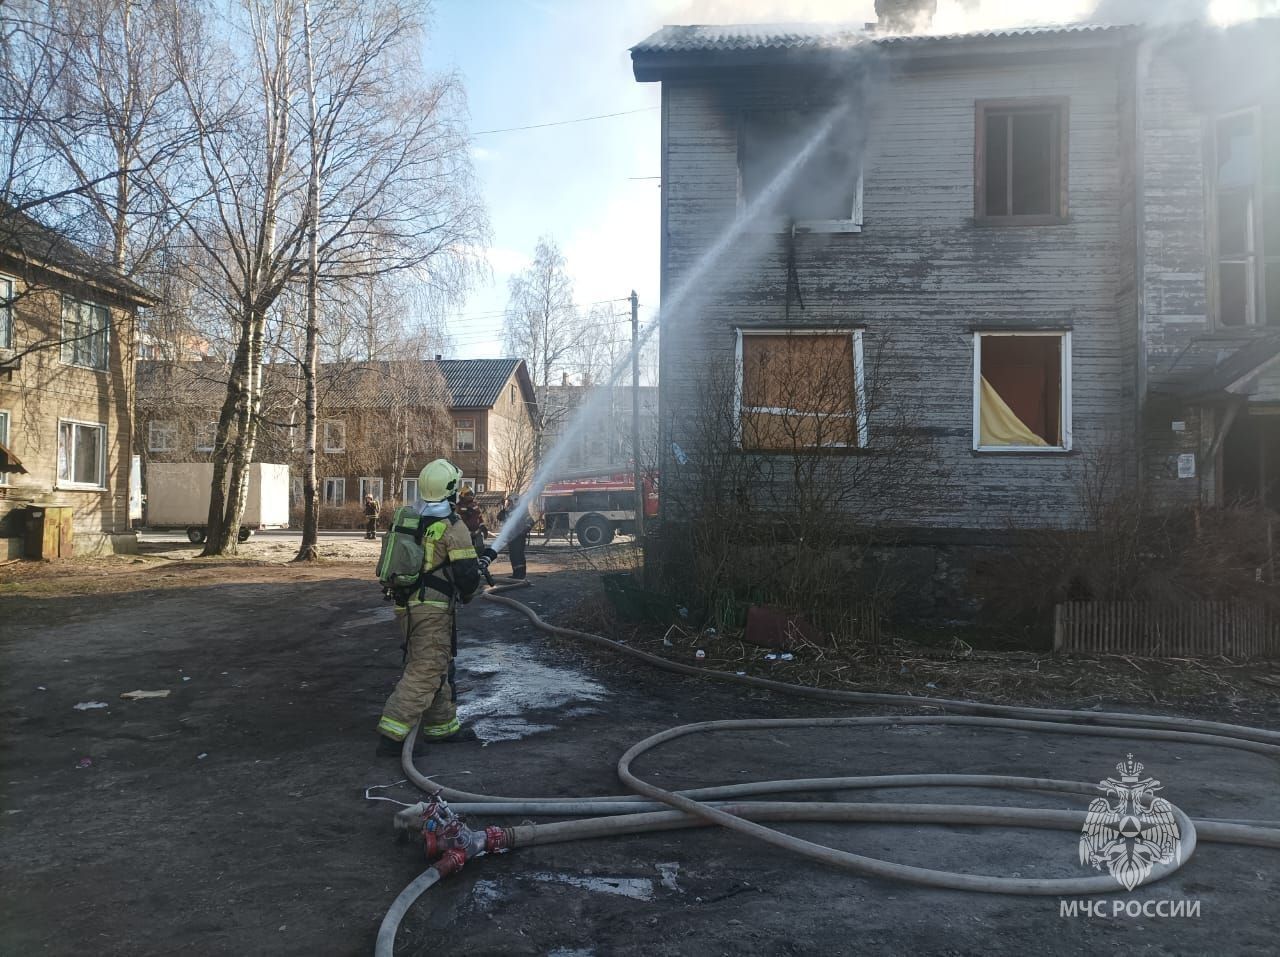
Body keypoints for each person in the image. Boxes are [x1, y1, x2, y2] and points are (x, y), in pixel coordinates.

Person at [376, 459, 482, 756]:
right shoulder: (452, 526)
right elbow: (466, 576)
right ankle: (391, 736)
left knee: (436, 663)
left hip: (408, 605)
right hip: (432, 609)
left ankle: (441, 727)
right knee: (426, 669)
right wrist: (472, 589)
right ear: (450, 490)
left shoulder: (413, 519)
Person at [500, 494, 533, 580]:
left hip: (519, 537)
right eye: (508, 501)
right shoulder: (508, 510)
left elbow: (531, 521)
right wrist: (503, 508)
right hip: (511, 537)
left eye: (510, 501)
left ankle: (521, 575)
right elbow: (499, 517)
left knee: (518, 555)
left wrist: (524, 531)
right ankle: (515, 574)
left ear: (515, 501)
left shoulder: (523, 510)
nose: (509, 503)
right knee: (513, 556)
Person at [457, 485, 487, 554]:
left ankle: (479, 563)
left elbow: (479, 516)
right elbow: (456, 518)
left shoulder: (474, 504)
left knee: (480, 549)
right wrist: (465, 515)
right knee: (466, 551)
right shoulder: (459, 506)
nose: (470, 496)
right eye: (468, 494)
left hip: (476, 531)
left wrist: (483, 526)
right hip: (464, 533)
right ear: (463, 495)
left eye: (471, 494)